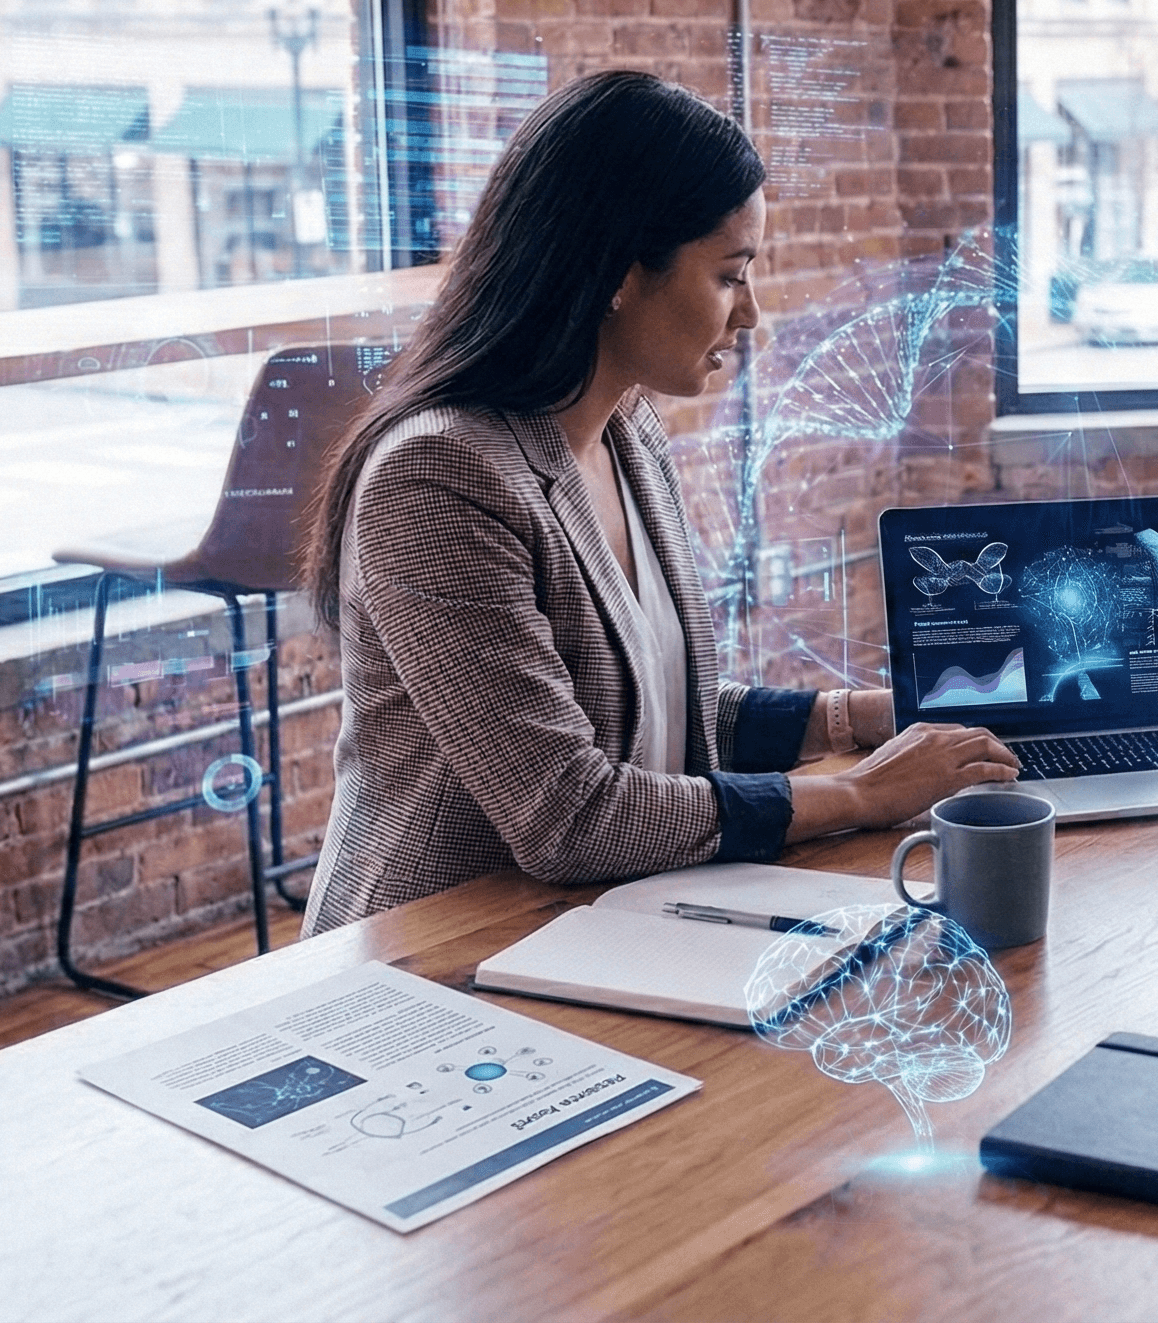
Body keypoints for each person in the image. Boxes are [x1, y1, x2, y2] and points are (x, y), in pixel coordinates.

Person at [300, 71, 1019, 933]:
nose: (750, 314)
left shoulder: (626, 431)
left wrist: (854, 717)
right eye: (729, 275)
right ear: (617, 271)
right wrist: (859, 792)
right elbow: (568, 814)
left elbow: (650, 712)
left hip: (611, 920)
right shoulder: (439, 479)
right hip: (439, 953)